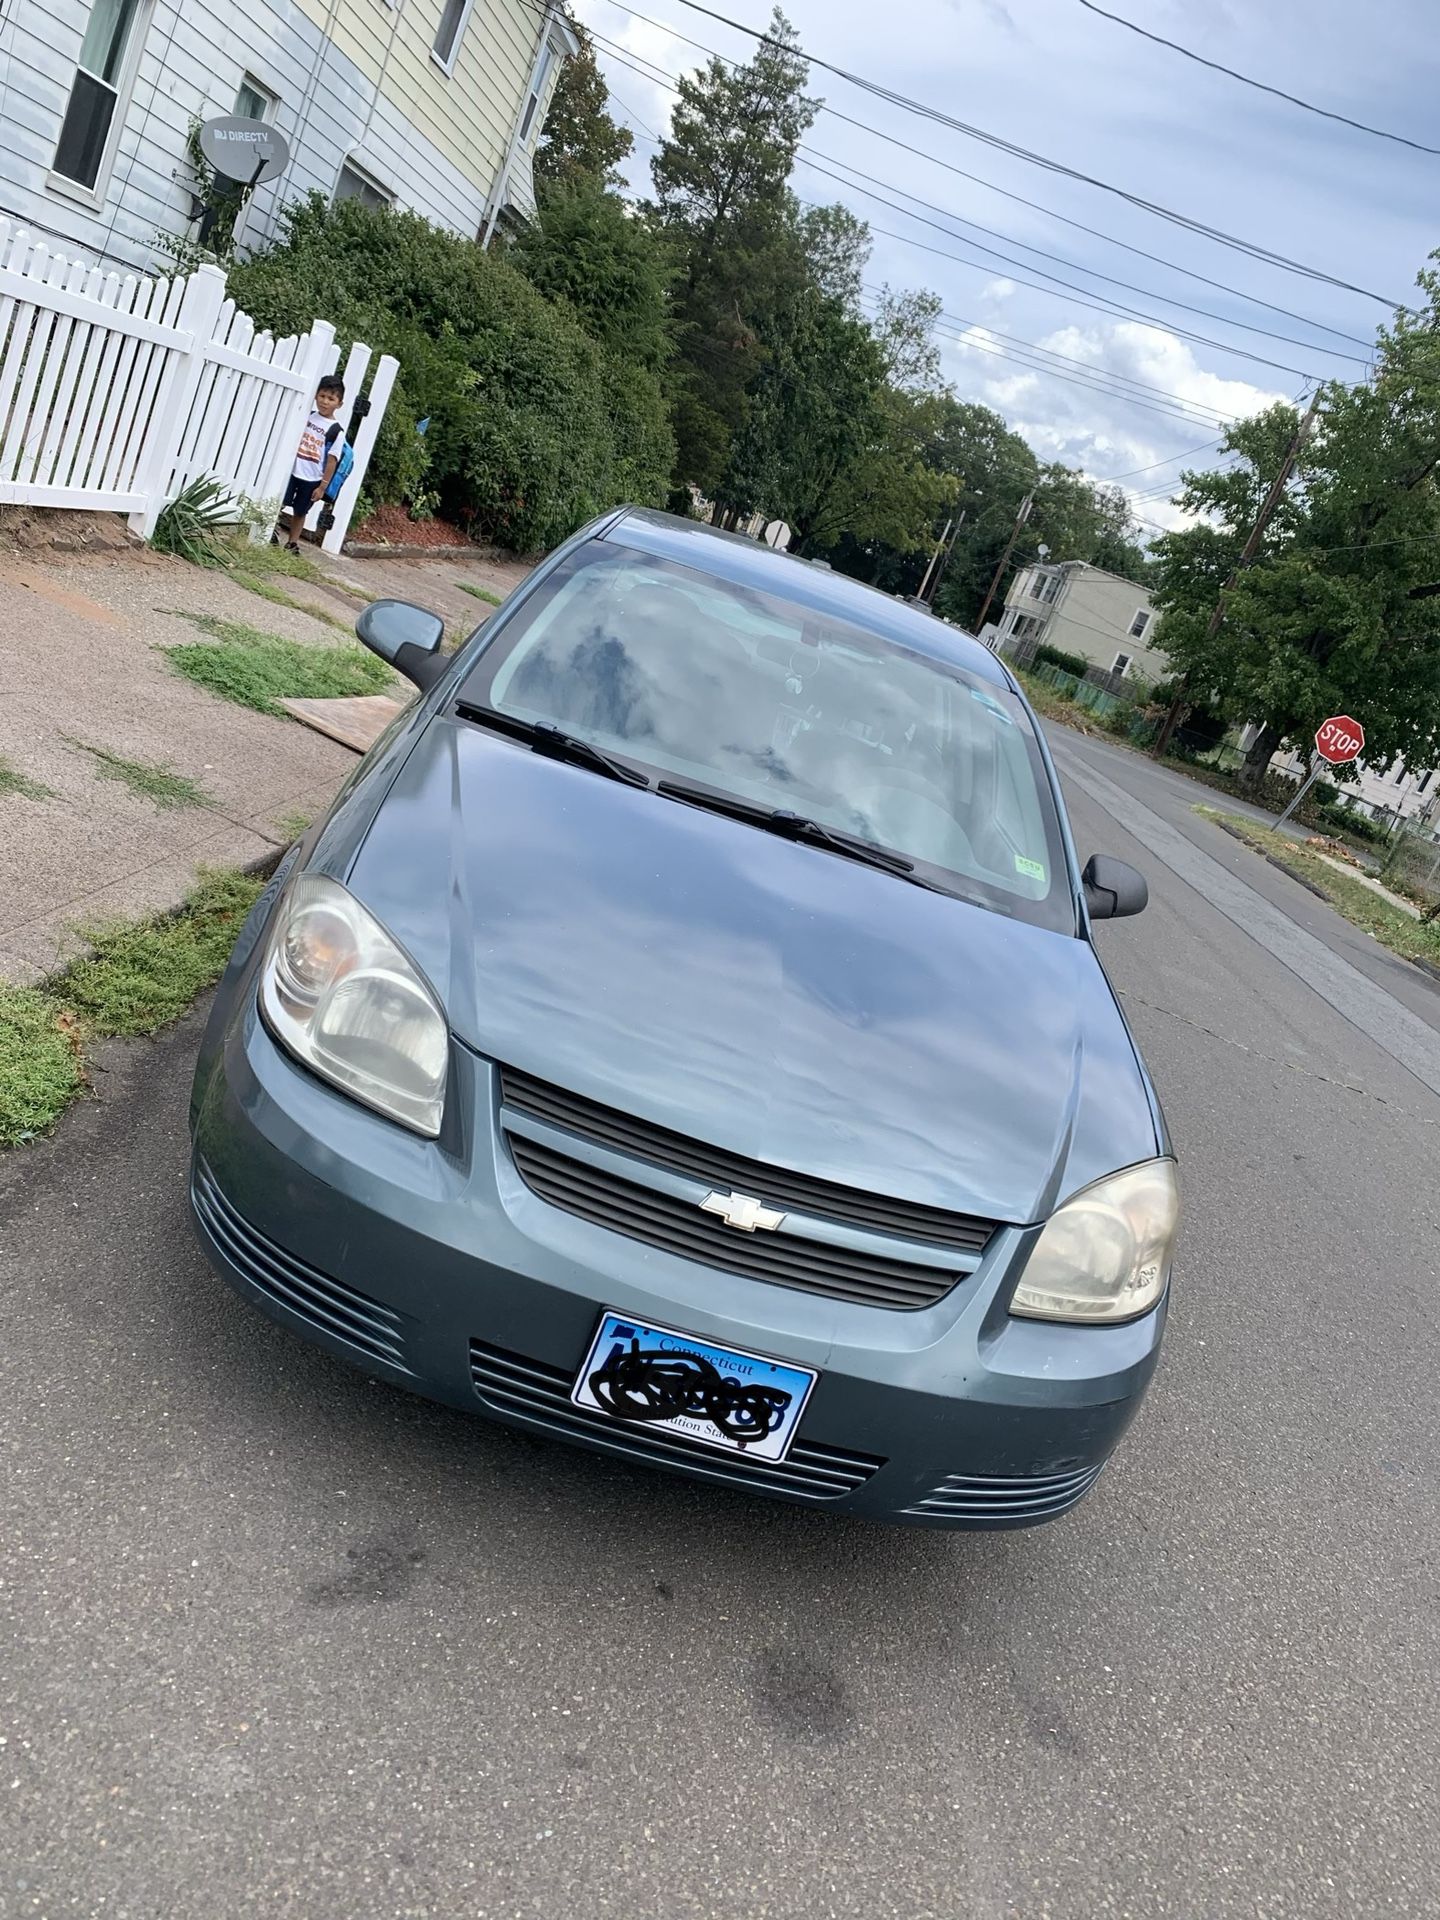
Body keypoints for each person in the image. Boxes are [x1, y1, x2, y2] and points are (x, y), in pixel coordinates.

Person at [273, 374, 346, 552]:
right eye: (322, 396)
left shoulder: (336, 431)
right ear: (315, 395)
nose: (325, 402)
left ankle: (292, 543)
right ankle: (271, 530)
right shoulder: (308, 416)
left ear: (339, 403)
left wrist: (322, 486)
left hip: (312, 478)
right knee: (280, 501)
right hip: (293, 471)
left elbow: (332, 460)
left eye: (331, 398)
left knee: (300, 511)